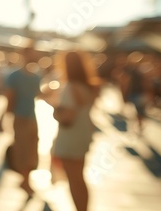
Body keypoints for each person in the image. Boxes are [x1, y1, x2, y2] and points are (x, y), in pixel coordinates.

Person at [45, 50, 101, 211]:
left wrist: (53, 107)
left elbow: (67, 118)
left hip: (71, 137)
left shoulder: (70, 87)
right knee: (80, 178)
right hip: (84, 133)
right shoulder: (88, 86)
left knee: (74, 179)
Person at [4, 47, 42, 198]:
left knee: (32, 148)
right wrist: (5, 118)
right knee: (23, 149)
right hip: (20, 118)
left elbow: (38, 94)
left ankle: (25, 180)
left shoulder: (36, 76)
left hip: (31, 116)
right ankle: (25, 181)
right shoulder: (14, 76)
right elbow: (10, 98)